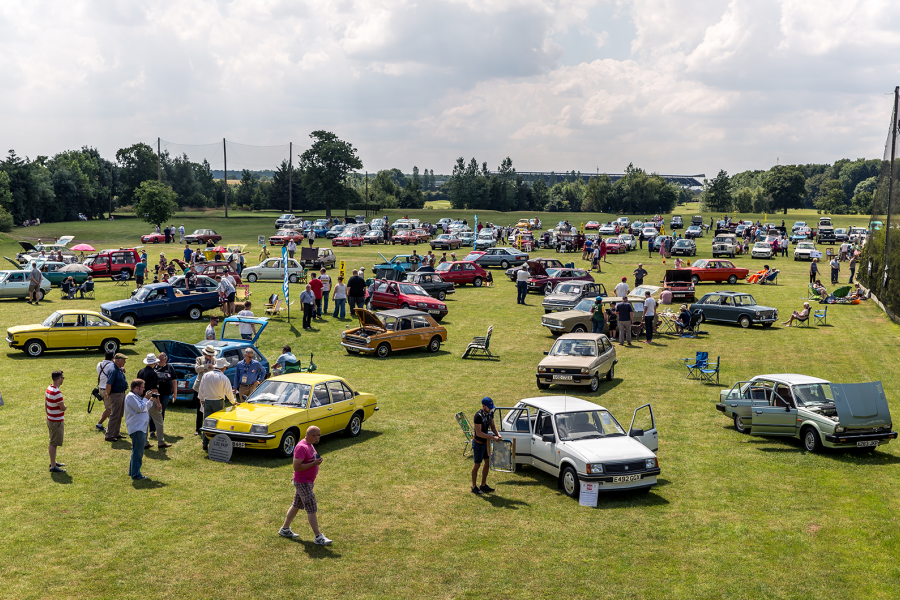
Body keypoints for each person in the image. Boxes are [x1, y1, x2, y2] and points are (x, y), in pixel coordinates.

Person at [278, 426, 332, 545]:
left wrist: (315, 462)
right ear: (313, 436)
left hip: (307, 481)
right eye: (318, 435)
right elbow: (296, 467)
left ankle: (285, 529)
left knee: (296, 505)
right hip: (303, 482)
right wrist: (313, 463)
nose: (319, 437)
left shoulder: (309, 445)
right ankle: (318, 537)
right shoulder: (302, 447)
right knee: (311, 507)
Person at [198, 357, 236, 451]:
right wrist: (233, 402)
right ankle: (217, 443)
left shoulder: (206, 375)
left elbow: (201, 389)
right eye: (225, 367)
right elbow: (229, 392)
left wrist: (202, 399)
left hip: (207, 401)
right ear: (222, 367)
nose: (226, 368)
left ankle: (205, 443)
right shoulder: (223, 377)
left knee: (206, 423)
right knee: (218, 424)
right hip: (218, 402)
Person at [124, 378, 158, 480]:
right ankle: (136, 475)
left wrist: (151, 400)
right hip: (137, 428)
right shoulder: (130, 397)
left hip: (140, 428)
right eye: (142, 388)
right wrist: (146, 398)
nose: (144, 390)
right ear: (136, 388)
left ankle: (132, 472)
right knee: (138, 452)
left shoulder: (136, 396)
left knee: (136, 451)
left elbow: (144, 407)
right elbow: (139, 408)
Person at [137, 353, 171, 449]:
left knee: (144, 421)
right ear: (154, 363)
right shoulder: (153, 374)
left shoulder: (141, 371)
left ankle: (145, 442)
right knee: (159, 421)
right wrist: (159, 403)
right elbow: (154, 390)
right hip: (151, 400)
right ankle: (161, 442)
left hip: (141, 399)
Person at [470, 397, 501, 495]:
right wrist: (492, 437)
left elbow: (492, 426)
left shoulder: (490, 413)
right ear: (483, 406)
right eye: (489, 407)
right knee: (477, 465)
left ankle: (483, 485)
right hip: (478, 444)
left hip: (485, 443)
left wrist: (498, 434)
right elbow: (479, 433)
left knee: (487, 463)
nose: (491, 409)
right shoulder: (478, 416)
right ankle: (474, 487)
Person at [104, 353, 130, 442]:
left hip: (121, 394)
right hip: (116, 395)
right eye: (123, 360)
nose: (125, 362)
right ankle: (109, 435)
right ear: (118, 360)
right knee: (114, 415)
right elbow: (108, 385)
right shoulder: (113, 369)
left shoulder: (118, 368)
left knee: (119, 414)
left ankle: (116, 433)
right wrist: (108, 395)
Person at [193, 345, 217, 437]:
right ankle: (198, 429)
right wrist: (207, 366)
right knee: (199, 410)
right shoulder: (199, 359)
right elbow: (197, 369)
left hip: (210, 387)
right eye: (209, 355)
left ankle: (209, 428)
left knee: (209, 409)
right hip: (199, 387)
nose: (210, 357)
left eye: (211, 355)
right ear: (205, 354)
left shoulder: (215, 360)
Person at [46, 370, 67, 473]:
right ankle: (53, 466)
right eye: (62, 378)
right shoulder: (57, 392)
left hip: (50, 419)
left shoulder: (49, 388)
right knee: (53, 443)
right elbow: (62, 408)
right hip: (56, 421)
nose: (63, 379)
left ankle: (53, 461)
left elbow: (46, 404)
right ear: (59, 379)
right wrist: (65, 406)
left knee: (52, 441)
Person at [154, 352, 177, 438]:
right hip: (155, 393)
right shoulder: (154, 367)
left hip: (166, 393)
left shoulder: (170, 368)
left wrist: (175, 393)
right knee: (153, 410)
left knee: (161, 411)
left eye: (161, 359)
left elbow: (174, 380)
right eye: (158, 359)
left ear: (165, 359)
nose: (159, 361)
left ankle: (159, 428)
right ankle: (152, 429)